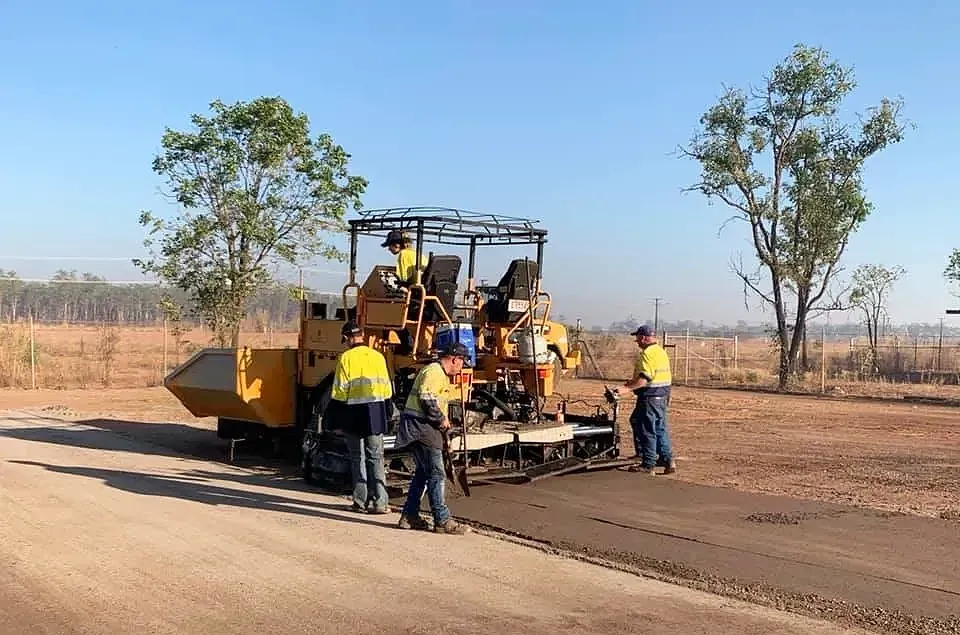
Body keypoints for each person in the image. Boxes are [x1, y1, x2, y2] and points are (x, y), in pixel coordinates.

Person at [395, 342, 472, 534]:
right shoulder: (434, 372)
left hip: (419, 427)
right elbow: (426, 398)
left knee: (423, 472)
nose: (462, 367)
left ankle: (409, 516)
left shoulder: (438, 374)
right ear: (455, 359)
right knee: (437, 473)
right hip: (421, 428)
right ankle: (442, 520)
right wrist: (440, 420)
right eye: (463, 362)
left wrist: (443, 419)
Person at [330, 320, 394, 513]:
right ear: (362, 336)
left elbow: (340, 391)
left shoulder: (346, 358)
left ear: (348, 338)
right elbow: (387, 389)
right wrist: (387, 413)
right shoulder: (378, 357)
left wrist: (334, 418)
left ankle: (360, 501)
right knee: (376, 457)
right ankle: (381, 502)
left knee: (357, 457)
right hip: (375, 412)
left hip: (353, 413)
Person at [613, 324, 676, 475]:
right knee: (658, 428)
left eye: (637, 338)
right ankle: (667, 460)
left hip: (650, 397)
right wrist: (632, 383)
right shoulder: (660, 351)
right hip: (662, 395)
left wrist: (625, 389)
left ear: (643, 337)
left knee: (646, 428)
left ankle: (648, 464)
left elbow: (644, 379)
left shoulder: (647, 353)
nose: (636, 341)